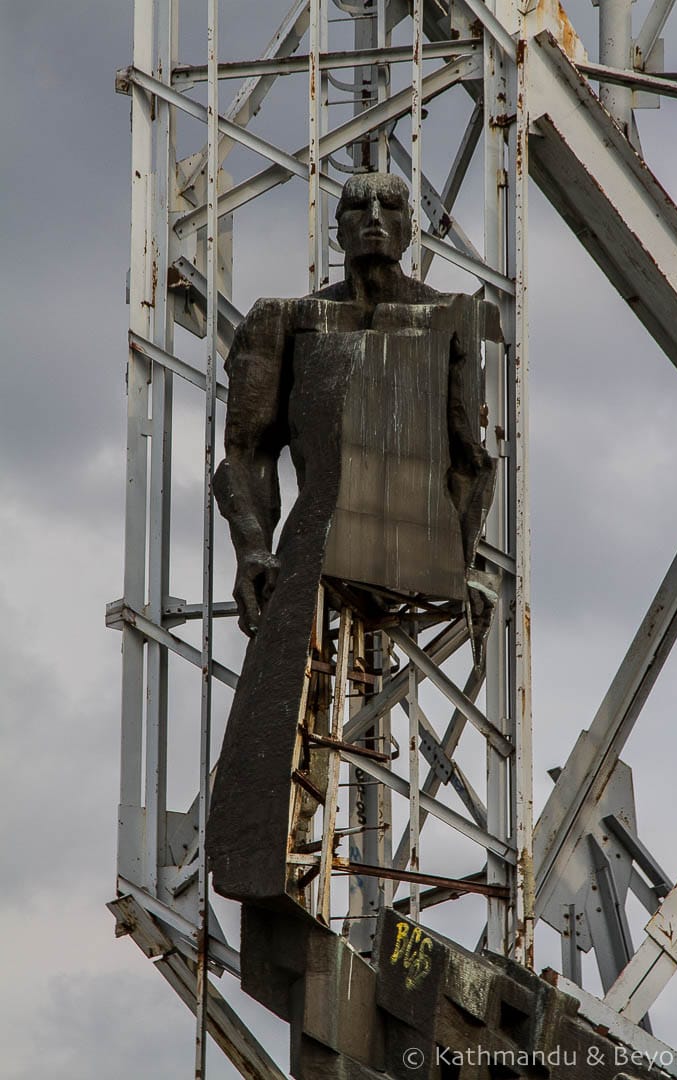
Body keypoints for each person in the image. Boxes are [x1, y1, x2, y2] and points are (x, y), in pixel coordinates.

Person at [208, 172, 503, 904]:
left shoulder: (452, 317)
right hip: (312, 545)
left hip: (418, 546)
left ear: (410, 228)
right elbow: (244, 451)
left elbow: (472, 459)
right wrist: (252, 547)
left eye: (391, 206)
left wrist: (457, 562)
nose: (374, 218)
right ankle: (265, 862)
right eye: (356, 207)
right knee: (279, 738)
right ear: (336, 228)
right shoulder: (284, 319)